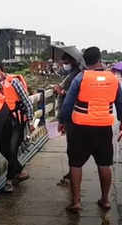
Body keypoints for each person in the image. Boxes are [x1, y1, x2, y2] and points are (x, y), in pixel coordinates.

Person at [59, 47, 122, 212]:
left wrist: (62, 121)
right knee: (105, 164)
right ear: (100, 59)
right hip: (103, 128)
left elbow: (68, 103)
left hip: (80, 128)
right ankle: (105, 200)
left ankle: (76, 202)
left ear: (85, 61)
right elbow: (120, 103)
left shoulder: (80, 78)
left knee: (75, 164)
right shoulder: (112, 78)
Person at [0, 59, 33, 193]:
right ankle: (20, 171)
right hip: (2, 123)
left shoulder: (14, 82)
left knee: (12, 150)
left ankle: (9, 181)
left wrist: (30, 121)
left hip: (16, 122)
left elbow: (27, 101)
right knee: (2, 148)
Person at [53, 51, 85, 185]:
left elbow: (73, 95)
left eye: (66, 63)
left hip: (72, 116)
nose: (64, 65)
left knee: (72, 147)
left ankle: (73, 174)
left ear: (72, 62)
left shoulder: (76, 75)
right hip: (73, 115)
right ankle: (72, 171)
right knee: (72, 147)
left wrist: (61, 92)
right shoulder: (72, 74)